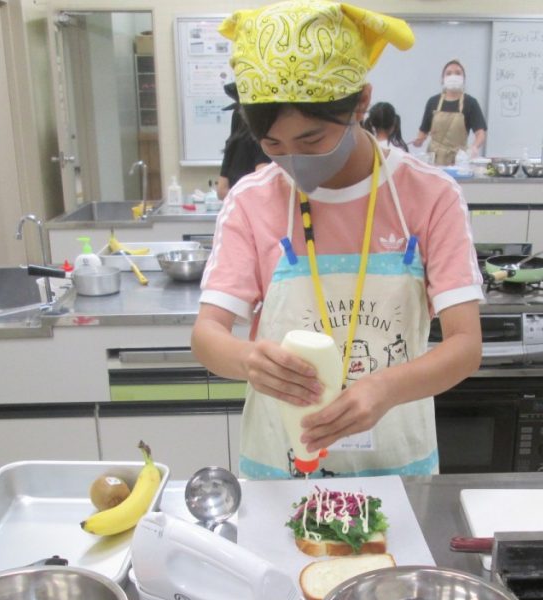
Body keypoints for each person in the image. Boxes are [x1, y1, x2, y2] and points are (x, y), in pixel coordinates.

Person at [191, 0, 483, 479]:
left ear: (361, 102)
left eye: (311, 141)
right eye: (273, 145)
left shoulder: (429, 195)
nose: (293, 161)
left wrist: (385, 387)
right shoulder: (252, 201)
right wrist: (248, 360)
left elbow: (466, 345)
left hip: (396, 470)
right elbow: (207, 335)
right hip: (282, 472)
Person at [411, 60, 487, 166]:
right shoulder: (433, 102)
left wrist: (474, 147)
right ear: (443, 79)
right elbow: (423, 132)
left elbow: (480, 133)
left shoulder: (470, 103)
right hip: (434, 160)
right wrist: (418, 141)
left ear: (464, 78)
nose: (453, 76)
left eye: (458, 73)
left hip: (458, 161)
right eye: (449, 73)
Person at [217, 81, 269, 200]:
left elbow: (221, 190)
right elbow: (263, 190)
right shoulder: (264, 122)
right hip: (251, 201)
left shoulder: (239, 110)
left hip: (237, 197)